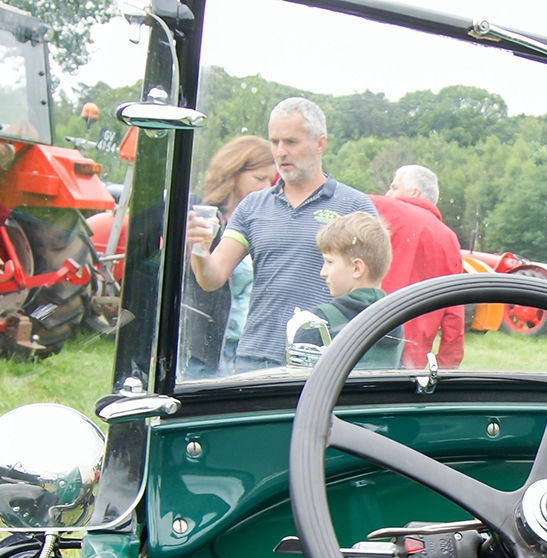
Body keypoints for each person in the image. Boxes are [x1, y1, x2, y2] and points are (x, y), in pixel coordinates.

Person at [186, 97, 376, 371]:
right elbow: (211, 278)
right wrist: (200, 249)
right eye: (274, 142)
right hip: (255, 357)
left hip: (325, 361)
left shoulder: (354, 206)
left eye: (291, 142)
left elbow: (368, 292)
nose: (280, 151)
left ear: (319, 143)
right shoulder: (252, 206)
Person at [180, 135, 275, 376]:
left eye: (271, 180)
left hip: (248, 350)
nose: (267, 187)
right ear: (233, 174)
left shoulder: (261, 224)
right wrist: (193, 245)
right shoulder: (202, 218)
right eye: (259, 178)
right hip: (205, 351)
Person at [369, 164, 466, 369]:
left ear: (414, 193)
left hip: (369, 341)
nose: (387, 193)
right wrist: (447, 363)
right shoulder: (449, 240)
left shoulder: (384, 209)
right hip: (413, 360)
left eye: (394, 187)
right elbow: (454, 311)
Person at [288, 212, 404, 370]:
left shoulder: (317, 323)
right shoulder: (397, 319)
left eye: (329, 262)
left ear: (357, 268)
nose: (323, 272)